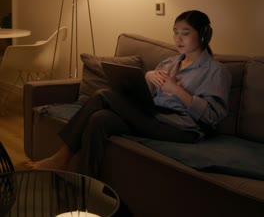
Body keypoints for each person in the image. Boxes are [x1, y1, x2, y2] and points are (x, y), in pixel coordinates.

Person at [26, 10, 231, 178]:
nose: (178, 38)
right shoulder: (170, 63)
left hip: (182, 128)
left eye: (185, 33)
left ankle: (62, 157)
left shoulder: (216, 71)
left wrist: (177, 90)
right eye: (175, 32)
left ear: (203, 35)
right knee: (100, 119)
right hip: (154, 115)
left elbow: (212, 117)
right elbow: (148, 97)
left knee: (102, 95)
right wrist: (148, 78)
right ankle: (86, 184)